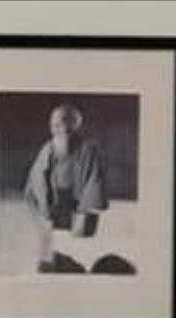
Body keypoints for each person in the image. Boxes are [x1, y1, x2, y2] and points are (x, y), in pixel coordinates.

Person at [24, 104, 112, 274]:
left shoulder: (89, 150)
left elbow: (94, 181)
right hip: (53, 205)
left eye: (62, 124)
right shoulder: (48, 149)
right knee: (49, 249)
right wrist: (44, 205)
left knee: (78, 247)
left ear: (74, 125)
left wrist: (85, 210)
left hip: (79, 209)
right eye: (54, 125)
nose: (57, 129)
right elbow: (36, 179)